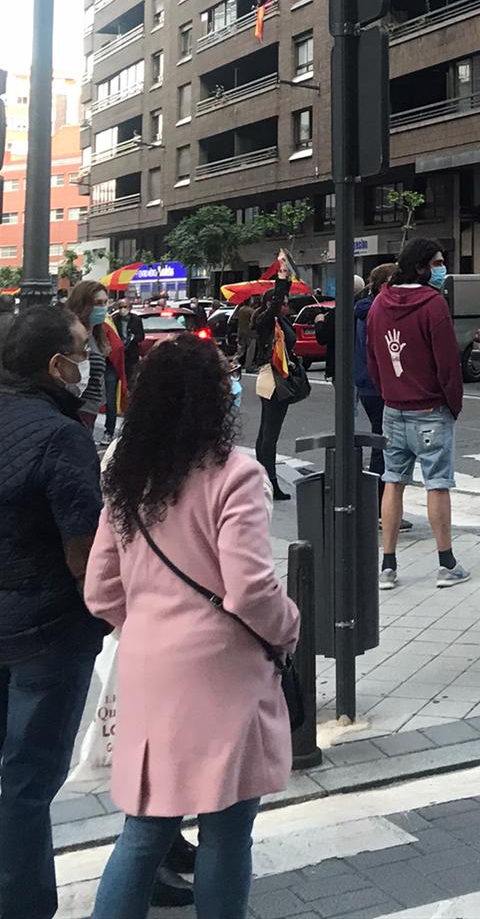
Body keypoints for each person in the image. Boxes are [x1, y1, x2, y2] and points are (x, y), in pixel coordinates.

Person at [85, 334, 300, 919]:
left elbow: (100, 590)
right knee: (228, 830)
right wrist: (288, 627)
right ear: (215, 400)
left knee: (144, 831)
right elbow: (251, 587)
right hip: (225, 674)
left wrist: (151, 623)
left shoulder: (125, 474)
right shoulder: (234, 473)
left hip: (150, 669)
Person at [0, 307, 105, 919]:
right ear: (55, 365)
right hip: (48, 631)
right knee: (29, 783)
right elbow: (83, 550)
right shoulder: (58, 434)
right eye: (81, 350)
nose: (85, 364)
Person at [367, 239, 468, 590]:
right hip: (430, 408)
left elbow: (373, 357)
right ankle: (446, 562)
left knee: (393, 480)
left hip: (394, 407)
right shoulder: (433, 305)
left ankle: (388, 565)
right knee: (437, 484)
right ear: (423, 267)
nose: (442, 269)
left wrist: (388, 393)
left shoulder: (380, 303)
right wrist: (452, 403)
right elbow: (448, 364)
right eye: (438, 263)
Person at [354, 264, 405, 518]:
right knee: (385, 445)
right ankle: (381, 507)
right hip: (377, 385)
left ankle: (379, 505)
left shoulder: (367, 309)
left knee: (382, 442)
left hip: (368, 383)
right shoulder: (379, 310)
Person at [247, 283, 302, 502]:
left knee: (267, 433)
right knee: (270, 434)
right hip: (273, 379)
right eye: (284, 303)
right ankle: (270, 482)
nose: (287, 306)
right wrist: (283, 279)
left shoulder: (278, 320)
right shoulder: (267, 320)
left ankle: (265, 480)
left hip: (274, 377)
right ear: (272, 304)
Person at [65, 279, 113, 431]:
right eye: (97, 303)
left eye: (105, 302)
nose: (103, 308)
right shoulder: (73, 333)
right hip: (77, 409)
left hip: (90, 409)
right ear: (83, 304)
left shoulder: (96, 334)